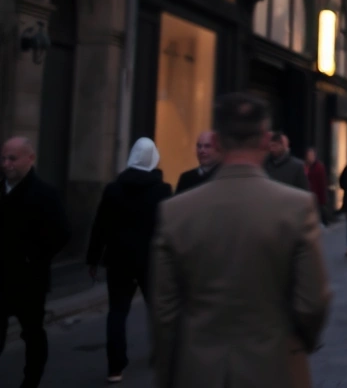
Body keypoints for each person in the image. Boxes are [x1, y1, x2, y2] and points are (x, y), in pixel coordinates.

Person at [151, 93, 330, 388]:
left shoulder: (175, 212)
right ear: (265, 140)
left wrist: (168, 371)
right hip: (274, 368)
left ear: (218, 142)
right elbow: (313, 301)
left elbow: (164, 312)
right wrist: (298, 344)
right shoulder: (297, 208)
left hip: (199, 371)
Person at [86, 138, 172, 382]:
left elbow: (99, 226)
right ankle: (162, 354)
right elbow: (167, 229)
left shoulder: (113, 189)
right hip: (150, 261)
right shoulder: (162, 191)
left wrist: (93, 259)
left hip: (119, 261)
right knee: (157, 309)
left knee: (117, 312)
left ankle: (115, 366)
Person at [0, 137, 70, 388]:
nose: (7, 164)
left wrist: (34, 258)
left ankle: (31, 381)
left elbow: (62, 233)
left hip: (29, 281)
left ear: (30, 159)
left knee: (32, 333)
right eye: (4, 158)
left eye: (13, 158)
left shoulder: (44, 194)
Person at [304, 147, 329, 225]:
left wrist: (322, 200)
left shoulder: (319, 167)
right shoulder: (304, 167)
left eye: (312, 155)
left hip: (316, 198)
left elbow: (322, 184)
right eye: (309, 155)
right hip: (306, 197)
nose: (310, 157)